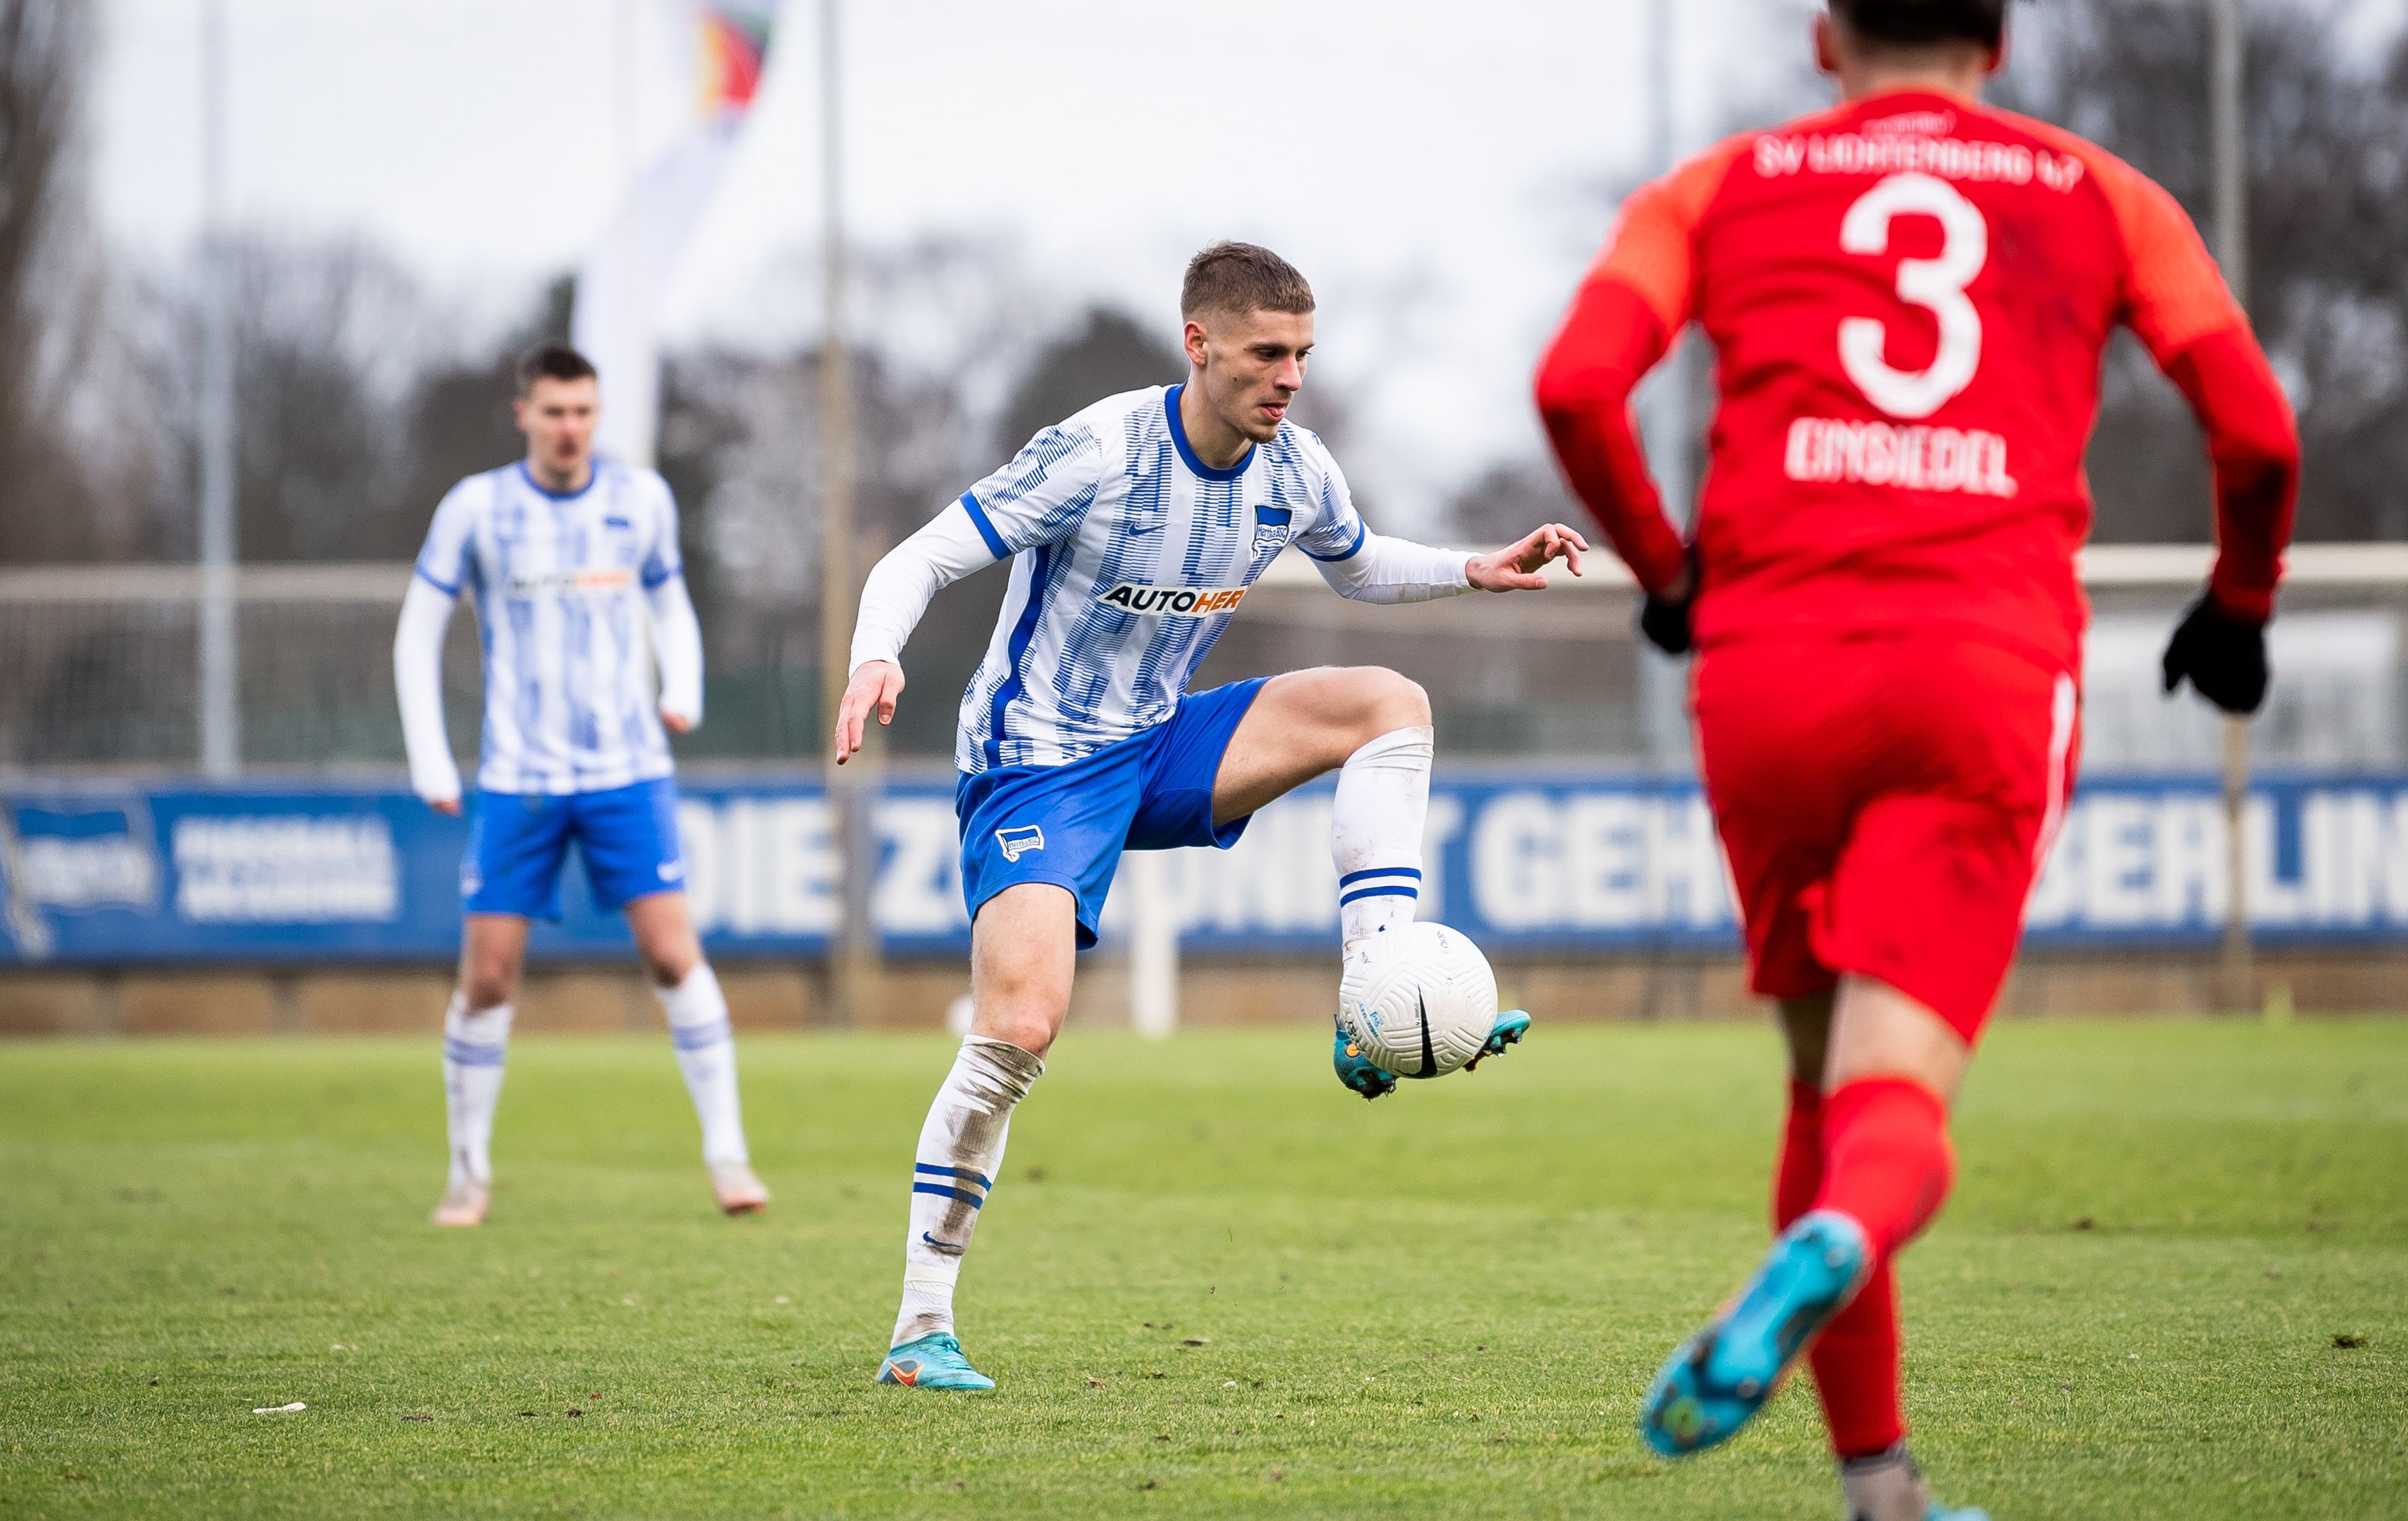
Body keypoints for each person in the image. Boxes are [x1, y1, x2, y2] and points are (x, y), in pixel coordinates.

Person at [1534, 2, 2298, 1516]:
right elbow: (2258, 433)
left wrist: (1663, 567)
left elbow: (1573, 385)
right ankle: (1827, 1249)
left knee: (1820, 1089)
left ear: (1825, 36)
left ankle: (1877, 1488)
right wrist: (2240, 599)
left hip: (1764, 672)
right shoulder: (2103, 195)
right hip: (1977, 665)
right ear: (1998, 41)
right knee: (1892, 1107)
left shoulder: (1714, 186)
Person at [836, 241, 1587, 1390]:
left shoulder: (1297, 468)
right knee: (1020, 1029)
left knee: (1390, 703)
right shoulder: (1101, 449)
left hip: (1164, 736)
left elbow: (1357, 563)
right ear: (1200, 345)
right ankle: (920, 1327)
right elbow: (924, 553)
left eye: (1302, 354)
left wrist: (1471, 567)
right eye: (1265, 353)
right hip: (1037, 762)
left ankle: (1370, 989)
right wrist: (873, 654)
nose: (1289, 377)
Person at [392, 345, 769, 1228]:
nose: (570, 428)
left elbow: (673, 603)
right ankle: (468, 1170)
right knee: (486, 978)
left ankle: (727, 1153)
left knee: (674, 954)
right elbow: (417, 634)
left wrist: (684, 687)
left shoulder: (641, 500)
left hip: (626, 772)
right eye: (554, 411)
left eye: (583, 412)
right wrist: (430, 758)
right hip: (518, 777)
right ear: (523, 412)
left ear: (597, 416)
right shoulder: (476, 508)